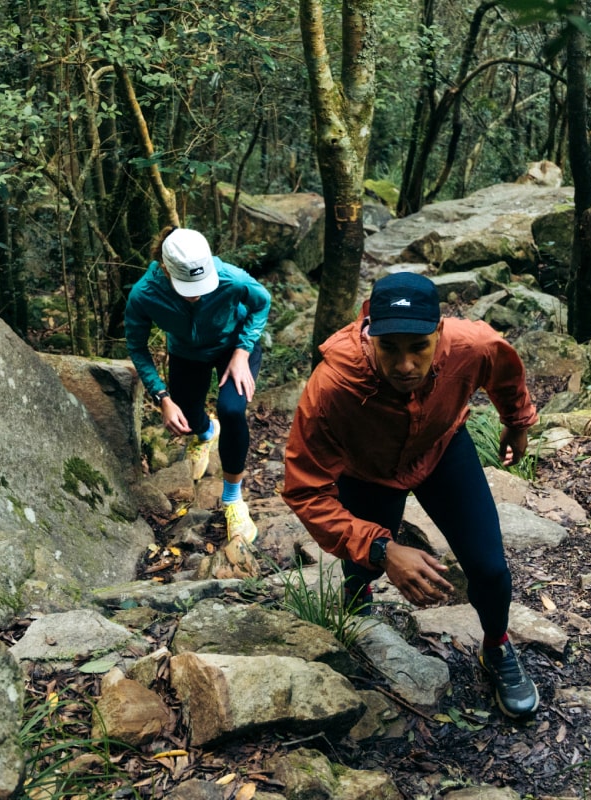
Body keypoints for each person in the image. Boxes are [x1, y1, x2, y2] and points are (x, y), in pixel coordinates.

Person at [282, 271, 540, 719]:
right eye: (390, 348)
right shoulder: (332, 386)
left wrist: (517, 422)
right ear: (369, 335)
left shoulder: (471, 344)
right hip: (367, 470)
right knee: (361, 564)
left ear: (439, 333)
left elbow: (505, 371)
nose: (405, 366)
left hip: (442, 449)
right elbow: (305, 489)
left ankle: (497, 646)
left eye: (418, 347)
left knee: (490, 568)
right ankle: (355, 606)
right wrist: (382, 549)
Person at [126, 227, 271, 542]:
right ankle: (207, 433)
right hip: (187, 353)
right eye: (187, 286)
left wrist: (243, 351)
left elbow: (262, 302)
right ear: (165, 269)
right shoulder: (144, 294)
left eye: (201, 284)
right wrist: (162, 396)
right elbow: (137, 347)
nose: (197, 294)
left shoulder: (231, 278)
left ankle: (233, 498)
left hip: (234, 347)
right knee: (189, 417)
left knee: (232, 409)